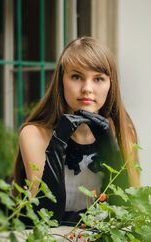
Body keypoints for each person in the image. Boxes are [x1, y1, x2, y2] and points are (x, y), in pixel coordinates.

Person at [12, 36, 140, 227]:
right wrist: (58, 142)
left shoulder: (122, 129)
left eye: (98, 79)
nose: (87, 89)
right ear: (61, 81)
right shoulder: (34, 134)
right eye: (76, 77)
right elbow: (45, 218)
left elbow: (127, 212)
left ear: (110, 84)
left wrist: (108, 147)